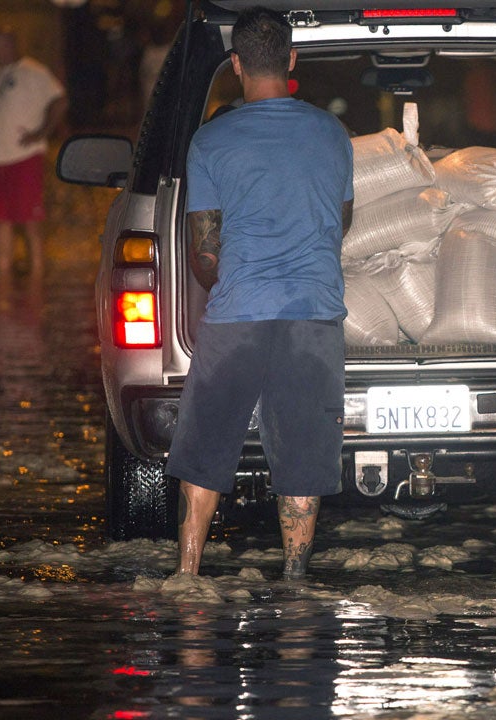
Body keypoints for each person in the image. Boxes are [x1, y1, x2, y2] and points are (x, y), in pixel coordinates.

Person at [165, 6, 354, 580]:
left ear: (237, 64)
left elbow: (204, 253)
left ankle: (189, 575)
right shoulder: (333, 134)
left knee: (204, 452)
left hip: (238, 315)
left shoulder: (211, 141)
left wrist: (225, 281)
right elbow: (339, 224)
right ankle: (295, 582)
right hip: (314, 316)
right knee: (300, 462)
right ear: (292, 61)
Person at [0, 27, 67, 277]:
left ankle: (36, 278)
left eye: (1, 45)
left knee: (30, 221)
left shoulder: (33, 71)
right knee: (0, 221)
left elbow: (60, 100)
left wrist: (41, 132)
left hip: (24, 158)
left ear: (13, 44)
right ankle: (2, 278)